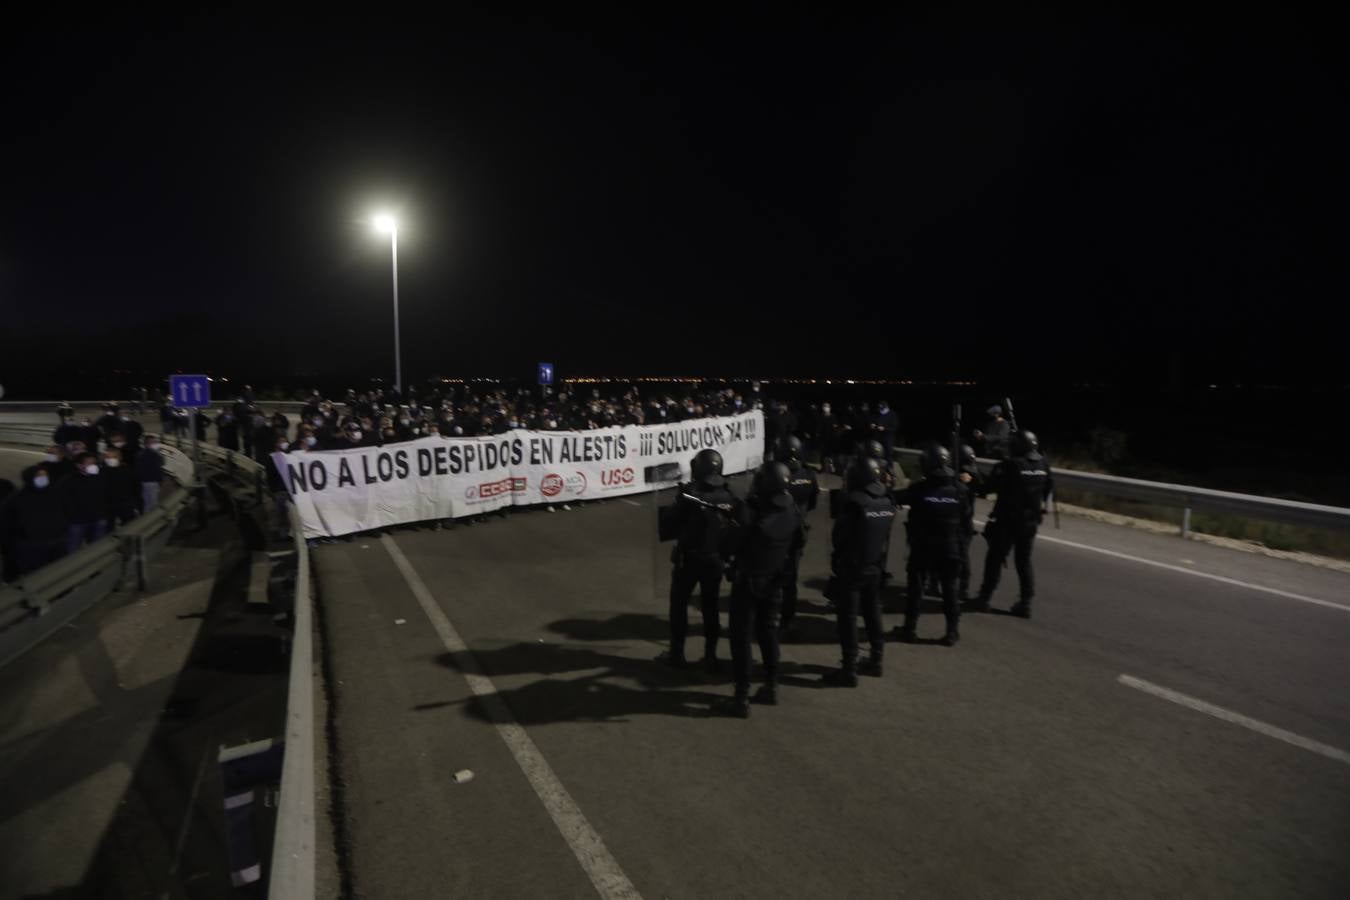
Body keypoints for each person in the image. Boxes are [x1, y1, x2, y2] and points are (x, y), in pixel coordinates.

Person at [726, 462, 803, 718]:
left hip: (749, 580)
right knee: (769, 633)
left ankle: (741, 695)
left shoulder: (752, 512)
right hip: (775, 580)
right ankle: (771, 685)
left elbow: (733, 543)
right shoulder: (791, 508)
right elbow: (797, 543)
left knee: (741, 638)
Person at [657, 448, 743, 672]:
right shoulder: (729, 495)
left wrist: (680, 499)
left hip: (690, 559)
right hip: (715, 559)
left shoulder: (691, 495)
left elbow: (670, 521)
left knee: (679, 606)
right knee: (710, 607)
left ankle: (677, 653)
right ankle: (710, 655)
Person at [823, 457, 896, 685]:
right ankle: (876, 659)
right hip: (874, 565)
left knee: (848, 618)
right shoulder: (886, 500)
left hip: (853, 568)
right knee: (873, 613)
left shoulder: (854, 503)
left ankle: (849, 668)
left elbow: (840, 536)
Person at [896, 444, 970, 646]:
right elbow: (966, 521)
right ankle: (952, 632)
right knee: (950, 591)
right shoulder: (961, 490)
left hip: (923, 547)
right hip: (951, 548)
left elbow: (895, 499)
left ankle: (909, 629)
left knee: (916, 590)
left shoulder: (919, 489)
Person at [974, 430, 1053, 618]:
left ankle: (984, 597)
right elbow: (1049, 489)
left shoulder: (1010, 465)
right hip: (1030, 521)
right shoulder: (1043, 463)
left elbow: (987, 488)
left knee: (994, 558)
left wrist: (974, 475)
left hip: (1007, 521)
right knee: (1023, 561)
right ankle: (1026, 602)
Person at [777, 436, 818, 641]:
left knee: (772, 577)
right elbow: (813, 502)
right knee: (790, 578)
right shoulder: (809, 475)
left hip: (776, 533)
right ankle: (787, 621)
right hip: (798, 531)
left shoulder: (775, 475)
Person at [5, 467, 67, 575]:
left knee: (57, 571)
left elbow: (63, 512)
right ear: (29, 478)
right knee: (36, 574)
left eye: (45, 475)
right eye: (38, 475)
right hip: (32, 545)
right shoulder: (16, 499)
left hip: (56, 541)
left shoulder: (54, 493)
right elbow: (8, 524)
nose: (43, 478)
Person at [61, 453, 110, 552]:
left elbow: (106, 496)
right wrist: (71, 516)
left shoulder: (100, 477)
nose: (93, 465)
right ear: (79, 465)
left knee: (97, 548)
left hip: (98, 519)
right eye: (89, 463)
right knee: (73, 548)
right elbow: (64, 501)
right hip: (77, 521)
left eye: (94, 463)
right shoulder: (69, 481)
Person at [956, 444, 982, 602]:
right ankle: (961, 588)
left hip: (960, 520)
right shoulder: (970, 473)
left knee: (961, 555)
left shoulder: (971, 475)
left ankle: (962, 588)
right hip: (963, 520)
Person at [102, 446, 139, 527]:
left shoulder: (128, 471)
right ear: (104, 458)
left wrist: (135, 505)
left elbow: (135, 488)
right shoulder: (101, 472)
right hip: (108, 506)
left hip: (126, 505)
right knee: (108, 527)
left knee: (128, 526)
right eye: (108, 457)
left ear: (120, 457)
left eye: (114, 457)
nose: (111, 459)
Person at [136, 435, 165, 512]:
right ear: (147, 444)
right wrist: (160, 479)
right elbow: (159, 466)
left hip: (144, 482)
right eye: (153, 442)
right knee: (152, 503)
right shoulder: (153, 455)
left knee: (147, 502)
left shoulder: (140, 454)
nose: (156, 444)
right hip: (151, 482)